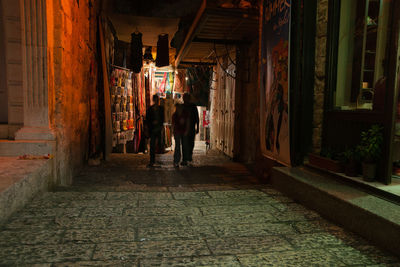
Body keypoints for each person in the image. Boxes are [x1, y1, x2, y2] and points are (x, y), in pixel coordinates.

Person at [145, 94, 164, 167]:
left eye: (157, 100)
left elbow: (162, 118)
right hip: (152, 129)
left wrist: (160, 125)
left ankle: (158, 160)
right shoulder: (150, 109)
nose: (156, 101)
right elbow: (147, 119)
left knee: (159, 144)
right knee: (152, 145)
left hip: (158, 129)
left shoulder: (161, 108)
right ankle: (152, 160)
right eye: (155, 100)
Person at [182, 93, 199, 164]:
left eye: (186, 98)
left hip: (191, 127)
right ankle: (184, 158)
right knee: (184, 143)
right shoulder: (182, 106)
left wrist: (197, 127)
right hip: (184, 128)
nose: (185, 99)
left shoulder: (193, 106)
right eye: (184, 98)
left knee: (191, 143)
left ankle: (189, 155)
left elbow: (197, 117)